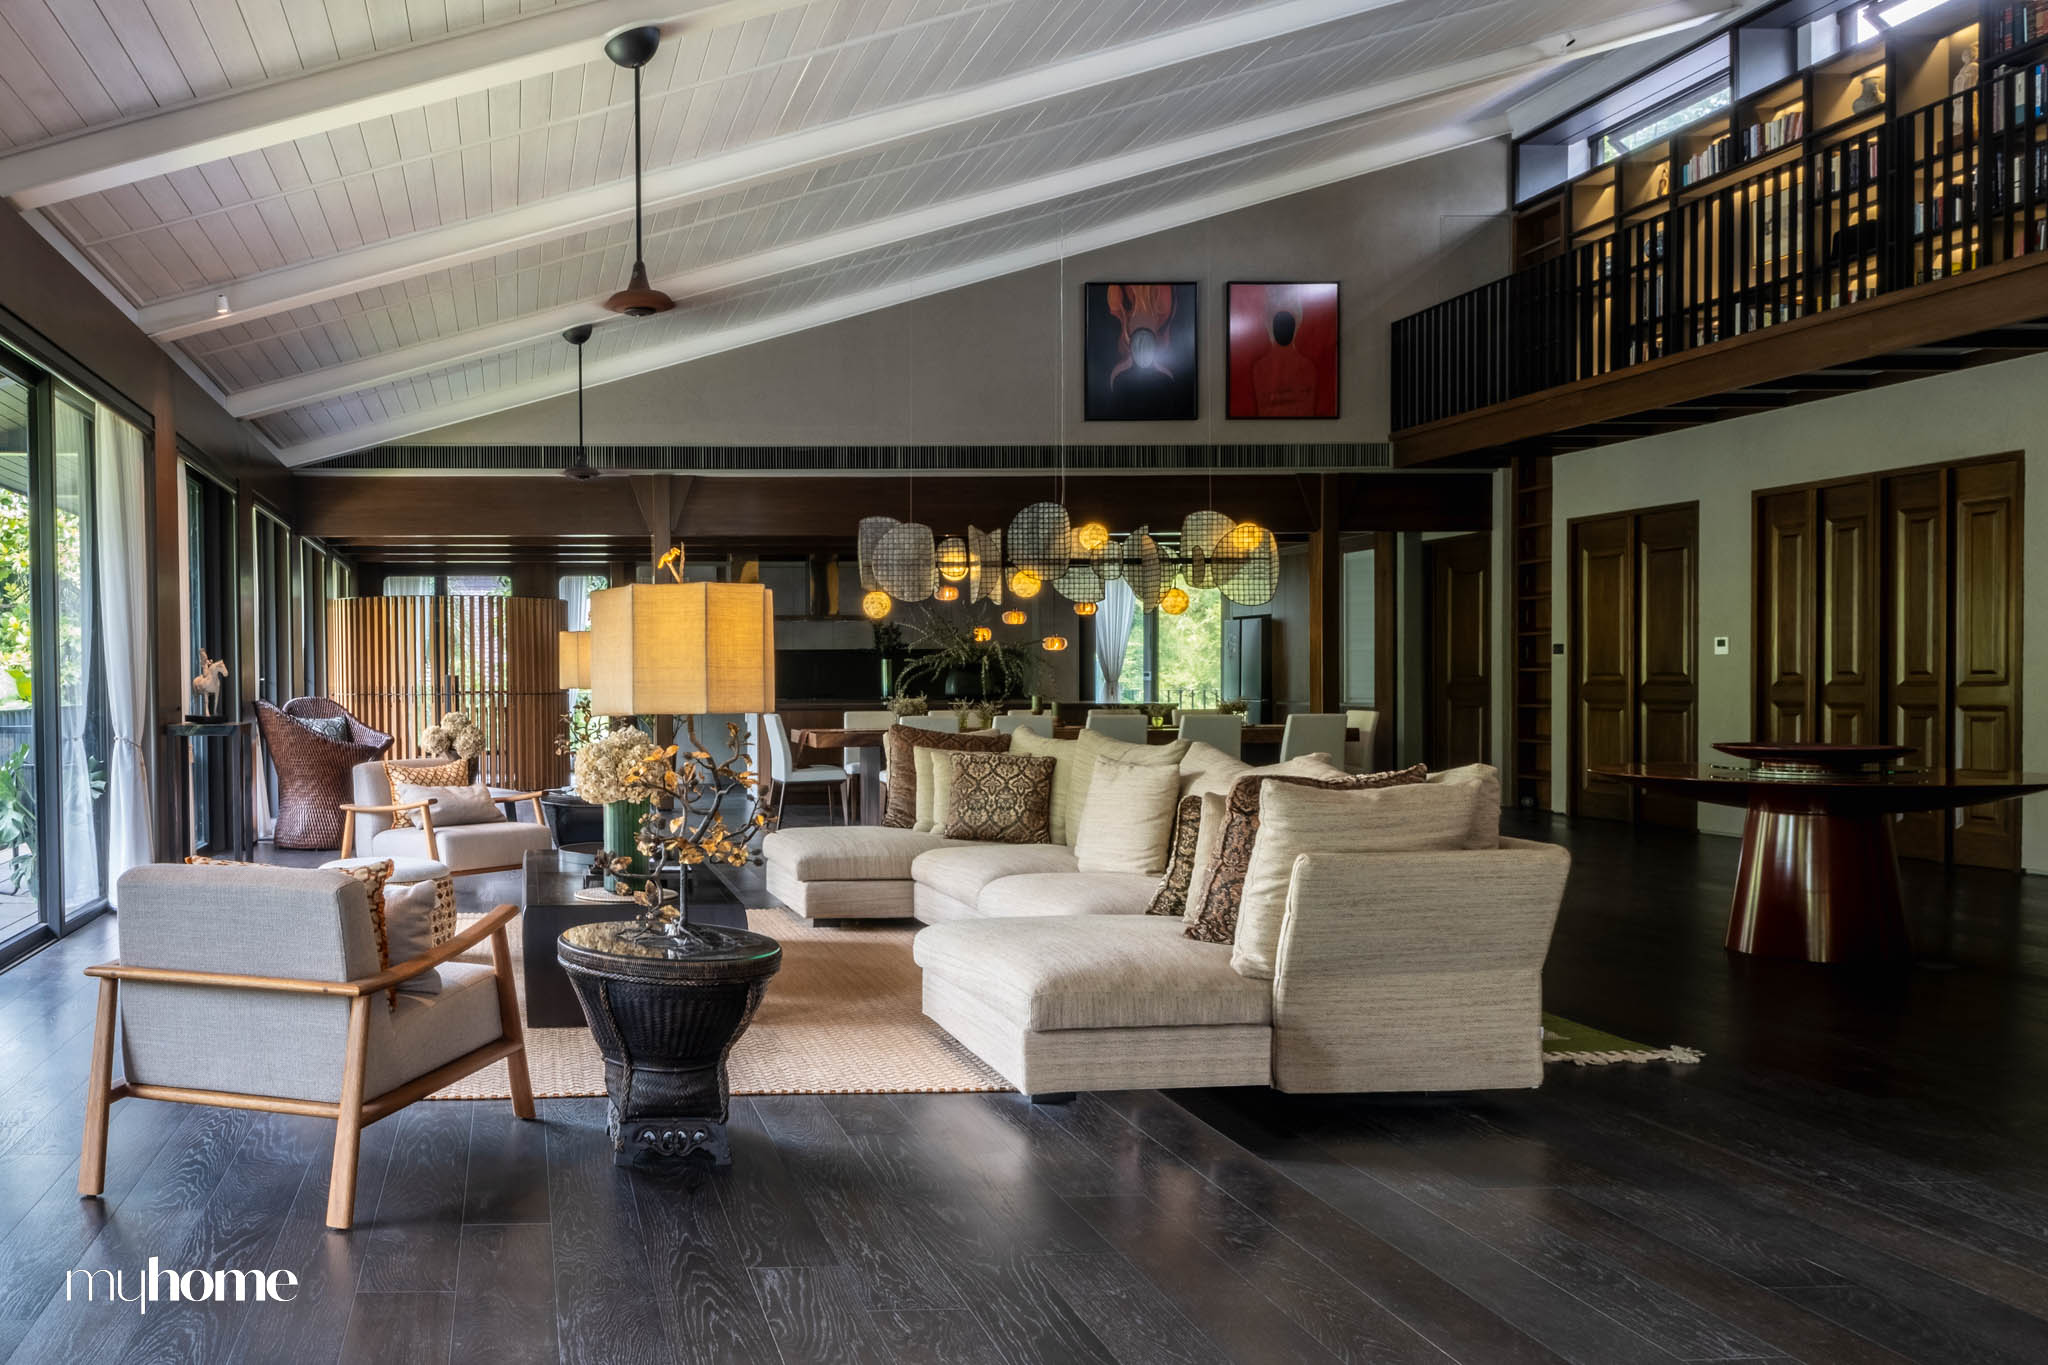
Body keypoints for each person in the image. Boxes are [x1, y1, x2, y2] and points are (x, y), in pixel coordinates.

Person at [1249, 309, 1319, 416]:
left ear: (1273, 330)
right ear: (1295, 330)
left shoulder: (1259, 368)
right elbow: (1308, 410)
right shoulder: (1308, 367)